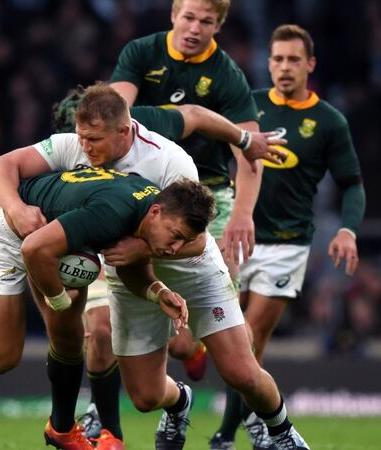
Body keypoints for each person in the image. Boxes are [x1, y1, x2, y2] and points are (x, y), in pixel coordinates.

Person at [0, 84, 309, 450]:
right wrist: (15, 209)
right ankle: (179, 402)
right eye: (82, 137)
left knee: (239, 370)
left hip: (189, 264)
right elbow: (0, 167)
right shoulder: (74, 144)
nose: (85, 148)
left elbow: (193, 237)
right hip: (130, 271)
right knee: (145, 397)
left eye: (94, 140)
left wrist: (140, 247)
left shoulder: (169, 161)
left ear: (125, 132)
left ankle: (284, 433)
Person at [0, 167, 211, 450]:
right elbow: (35, 249)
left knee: (69, 336)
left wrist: (156, 291)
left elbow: (130, 267)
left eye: (183, 241)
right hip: (4, 233)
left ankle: (63, 430)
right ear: (156, 212)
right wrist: (59, 300)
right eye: (175, 235)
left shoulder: (147, 206)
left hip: (43, 237)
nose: (175, 247)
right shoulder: (113, 212)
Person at [210, 24, 365, 450]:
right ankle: (259, 421)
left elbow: (351, 183)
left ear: (310, 64)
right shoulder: (250, 107)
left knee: (250, 339)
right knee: (221, 335)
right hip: (235, 234)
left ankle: (225, 434)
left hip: (288, 243)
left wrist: (348, 229)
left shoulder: (329, 122)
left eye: (293, 59)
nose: (283, 67)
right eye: (277, 58)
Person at [108, 0, 264, 421]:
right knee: (164, 336)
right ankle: (175, 379)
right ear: (174, 14)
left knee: (211, 329)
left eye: (207, 21)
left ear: (219, 25)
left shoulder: (228, 75)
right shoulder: (141, 52)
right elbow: (116, 118)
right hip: (153, 198)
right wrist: (183, 119)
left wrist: (242, 215)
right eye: (190, 17)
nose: (195, 28)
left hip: (209, 200)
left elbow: (251, 151)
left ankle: (255, 414)